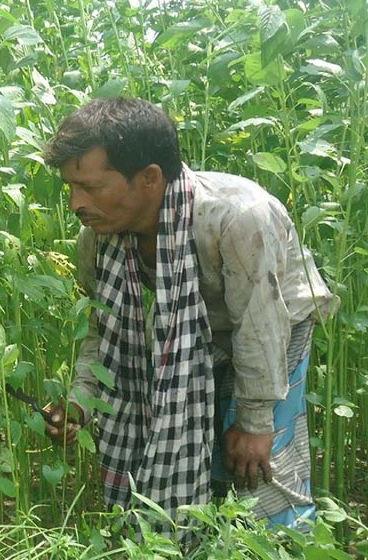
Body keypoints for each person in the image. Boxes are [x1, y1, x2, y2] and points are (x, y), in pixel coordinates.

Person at [43, 97, 337, 529]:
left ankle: (289, 541)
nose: (75, 204)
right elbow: (102, 333)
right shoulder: (99, 236)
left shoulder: (238, 217)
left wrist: (256, 422)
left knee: (258, 465)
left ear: (149, 178)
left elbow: (261, 324)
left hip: (277, 324)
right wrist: (79, 404)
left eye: (90, 187)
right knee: (205, 459)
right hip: (194, 335)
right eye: (71, 187)